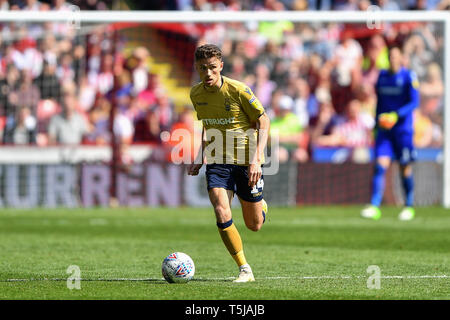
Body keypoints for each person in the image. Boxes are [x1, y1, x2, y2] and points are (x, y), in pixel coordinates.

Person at [187, 44, 270, 282]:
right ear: (197, 68)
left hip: (246, 162)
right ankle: (244, 268)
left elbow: (264, 122)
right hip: (218, 161)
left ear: (221, 66)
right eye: (203, 68)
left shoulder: (239, 90)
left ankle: (260, 206)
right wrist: (199, 157)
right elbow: (208, 125)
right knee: (220, 210)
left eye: (213, 67)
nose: (208, 73)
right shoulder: (196, 94)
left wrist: (256, 161)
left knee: (254, 225)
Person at [361, 47, 420, 221]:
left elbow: (414, 102)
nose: (393, 59)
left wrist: (396, 115)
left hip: (403, 130)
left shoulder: (409, 76)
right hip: (385, 130)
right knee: (380, 166)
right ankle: (374, 205)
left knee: (404, 167)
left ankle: (408, 206)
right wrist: (376, 123)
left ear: (401, 58)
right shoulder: (382, 77)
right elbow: (379, 102)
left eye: (395, 56)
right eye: (390, 57)